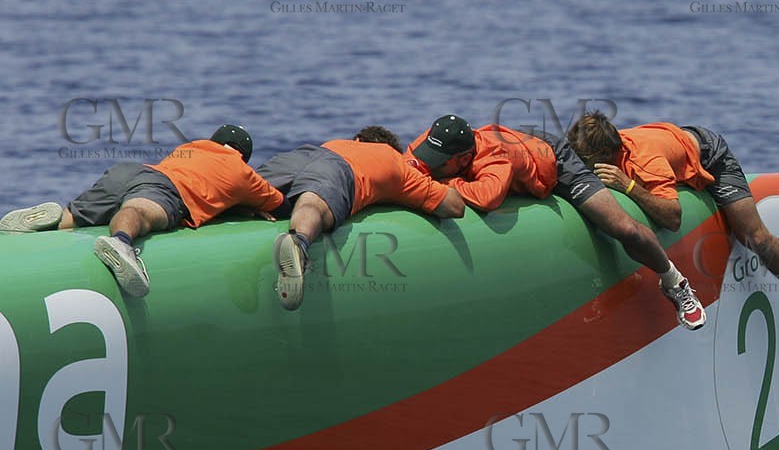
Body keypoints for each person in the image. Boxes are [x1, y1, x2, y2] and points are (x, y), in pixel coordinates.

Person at [406, 114, 707, 331]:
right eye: (429, 155)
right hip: (523, 141)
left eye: (438, 161)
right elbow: (407, 164)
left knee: (622, 228)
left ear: (462, 159)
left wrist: (443, 183)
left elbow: (487, 197)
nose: (429, 162)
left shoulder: (494, 157)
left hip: (557, 163)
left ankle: (675, 283)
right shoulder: (431, 144)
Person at [566, 113, 779, 350]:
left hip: (710, 154)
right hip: (674, 139)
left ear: (604, 156)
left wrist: (629, 186)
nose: (577, 166)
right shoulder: (590, 151)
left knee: (753, 236)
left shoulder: (645, 164)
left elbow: (673, 217)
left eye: (583, 162)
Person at [0, 125, 281, 298]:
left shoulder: (192, 147)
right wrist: (248, 206)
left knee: (75, 218)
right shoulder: (242, 172)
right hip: (166, 188)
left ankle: (49, 221)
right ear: (243, 156)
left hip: (133, 171)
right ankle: (121, 242)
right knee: (140, 211)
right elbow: (278, 204)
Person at [258, 125, 466, 311]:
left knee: (248, 189)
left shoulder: (339, 143)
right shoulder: (395, 162)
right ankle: (299, 242)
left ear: (358, 140)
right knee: (314, 200)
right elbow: (454, 207)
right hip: (337, 168)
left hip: (302, 155)